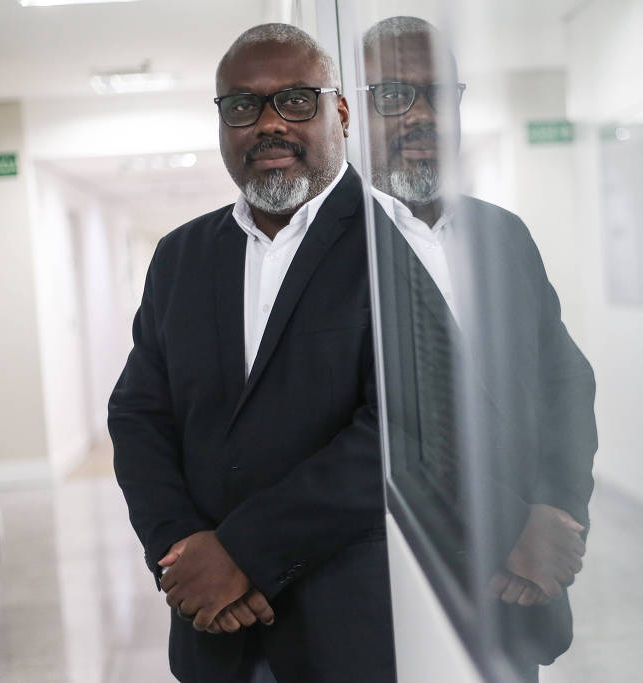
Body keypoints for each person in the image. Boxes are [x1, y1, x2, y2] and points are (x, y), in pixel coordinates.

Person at [108, 24, 395, 683]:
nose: (268, 123)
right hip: (215, 632)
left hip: (348, 627)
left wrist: (241, 553)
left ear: (340, 113)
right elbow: (139, 414)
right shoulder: (181, 256)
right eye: (242, 105)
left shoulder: (394, 242)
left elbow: (398, 430)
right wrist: (180, 548)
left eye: (295, 99)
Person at [362, 16, 598, 679]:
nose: (422, 115)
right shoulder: (340, 249)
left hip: (515, 600)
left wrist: (557, 516)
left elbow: (565, 384)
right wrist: (508, 529)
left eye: (440, 94)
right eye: (393, 96)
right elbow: (375, 430)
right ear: (351, 112)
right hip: (397, 600)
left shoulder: (503, 234)